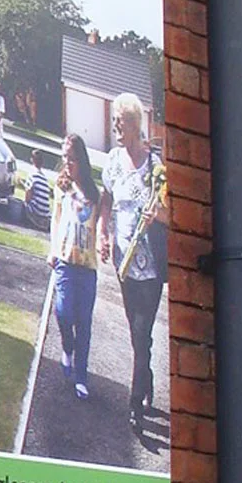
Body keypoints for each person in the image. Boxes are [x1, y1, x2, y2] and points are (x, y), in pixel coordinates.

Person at [99, 92, 168, 429]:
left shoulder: (155, 168)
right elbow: (106, 199)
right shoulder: (113, 161)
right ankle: (147, 378)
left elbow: (171, 214)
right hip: (123, 264)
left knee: (141, 333)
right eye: (114, 121)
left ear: (134, 124)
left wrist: (159, 215)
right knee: (137, 334)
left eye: (121, 122)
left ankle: (134, 405)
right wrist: (104, 234)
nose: (116, 127)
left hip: (150, 269)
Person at [48, 133, 101, 400]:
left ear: (81, 159)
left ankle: (81, 377)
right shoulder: (62, 188)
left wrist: (104, 242)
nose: (67, 163)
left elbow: (100, 227)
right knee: (63, 312)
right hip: (65, 262)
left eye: (72, 158)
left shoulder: (94, 194)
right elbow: (56, 220)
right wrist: (52, 249)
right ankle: (67, 347)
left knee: (84, 323)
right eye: (64, 158)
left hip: (87, 266)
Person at [23, 150, 52, 232]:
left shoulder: (32, 174)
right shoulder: (44, 178)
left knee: (22, 205)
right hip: (45, 214)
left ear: (32, 160)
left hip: (37, 212)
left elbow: (28, 196)